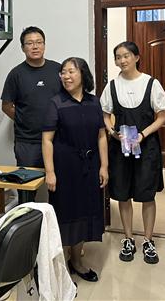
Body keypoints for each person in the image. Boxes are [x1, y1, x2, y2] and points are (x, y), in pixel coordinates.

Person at [101, 41, 165, 265]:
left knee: (147, 194)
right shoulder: (112, 86)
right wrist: (113, 132)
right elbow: (105, 115)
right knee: (123, 194)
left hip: (146, 147)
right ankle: (128, 238)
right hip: (120, 148)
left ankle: (148, 240)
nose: (122, 60)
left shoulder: (151, 83)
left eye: (126, 56)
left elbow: (162, 117)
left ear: (137, 57)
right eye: (118, 57)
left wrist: (142, 134)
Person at [42, 57, 108, 283]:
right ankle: (59, 266)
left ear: (83, 75)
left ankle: (77, 261)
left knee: (83, 212)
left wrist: (104, 166)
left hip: (89, 166)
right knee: (64, 213)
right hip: (65, 168)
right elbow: (47, 140)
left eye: (71, 71)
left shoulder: (93, 102)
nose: (66, 76)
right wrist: (50, 172)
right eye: (63, 72)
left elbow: (101, 136)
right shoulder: (56, 103)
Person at [1, 26, 62, 168]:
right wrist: (25, 120)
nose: (35, 47)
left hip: (57, 138)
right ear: (23, 48)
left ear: (44, 45)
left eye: (39, 42)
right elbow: (6, 106)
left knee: (58, 180)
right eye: (29, 43)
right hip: (27, 142)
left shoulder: (57, 69)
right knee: (28, 179)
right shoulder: (16, 74)